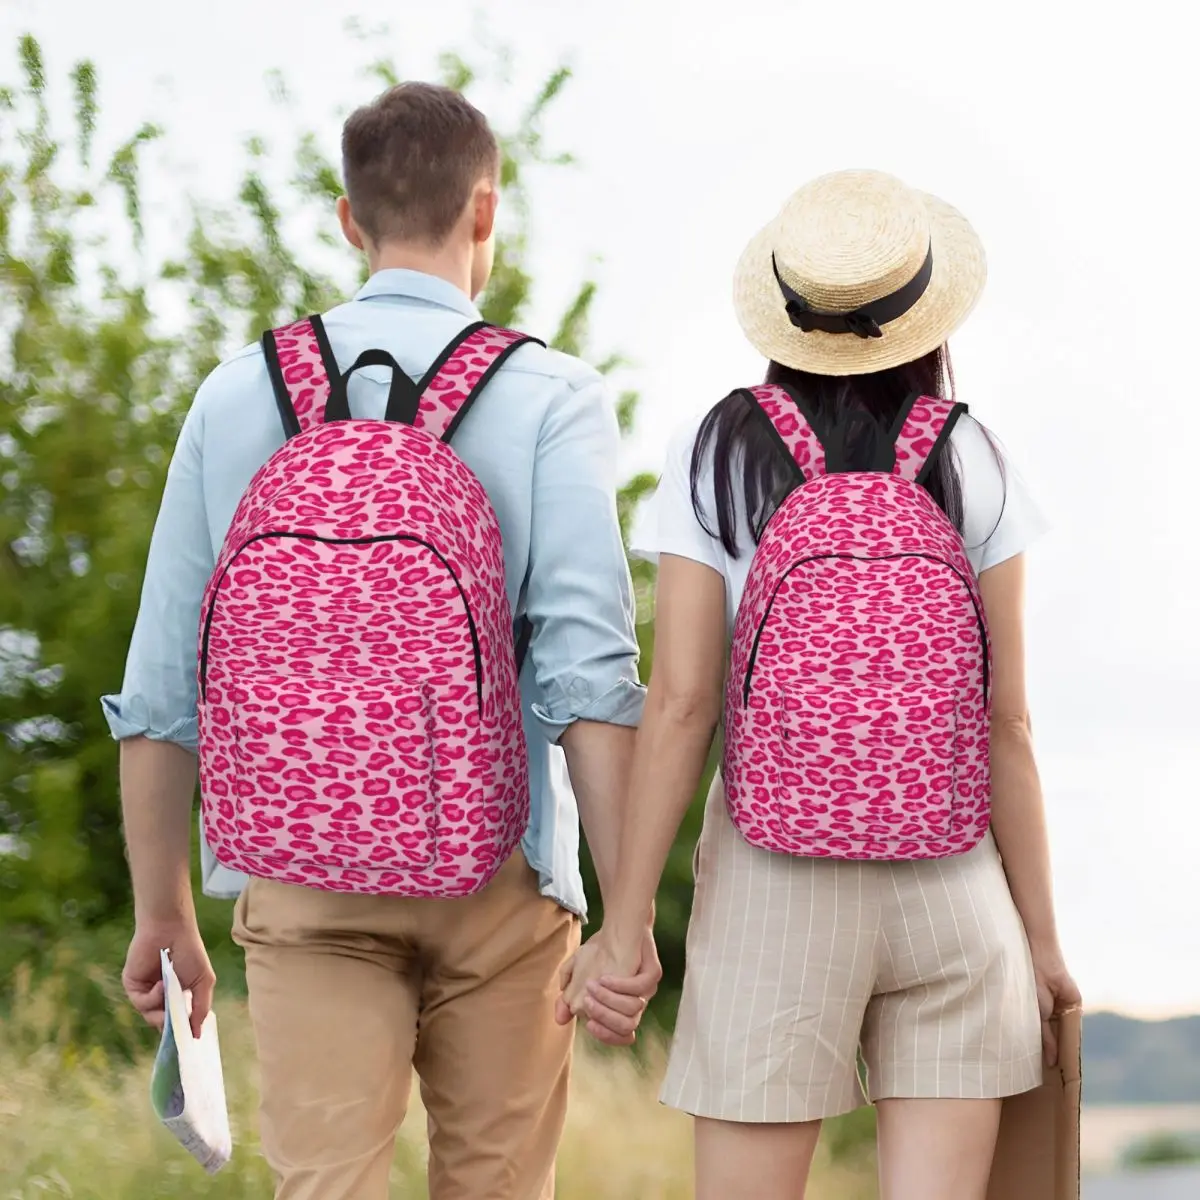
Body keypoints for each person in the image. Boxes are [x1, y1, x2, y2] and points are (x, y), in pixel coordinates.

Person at [106, 81, 658, 1200]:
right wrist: (627, 914)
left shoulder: (235, 394)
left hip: (302, 875)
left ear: (350, 220)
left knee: (326, 1186)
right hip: (503, 873)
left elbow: (164, 683)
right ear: (485, 213)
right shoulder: (551, 394)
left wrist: (162, 910)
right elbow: (589, 676)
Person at [560, 169, 1081, 1200]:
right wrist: (1042, 942)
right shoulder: (974, 455)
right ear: (925, 315)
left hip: (773, 882)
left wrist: (624, 927)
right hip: (954, 885)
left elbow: (681, 705)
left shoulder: (717, 450)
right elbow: (1007, 722)